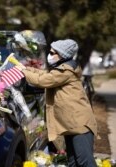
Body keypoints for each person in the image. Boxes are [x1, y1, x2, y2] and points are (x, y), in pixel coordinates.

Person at [16, 39, 98, 167]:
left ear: (62, 55)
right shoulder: (62, 69)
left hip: (80, 124)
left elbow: (43, 80)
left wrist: (24, 72)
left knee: (84, 162)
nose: (50, 54)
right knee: (73, 162)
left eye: (53, 52)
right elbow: (44, 74)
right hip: (71, 123)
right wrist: (26, 69)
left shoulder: (65, 71)